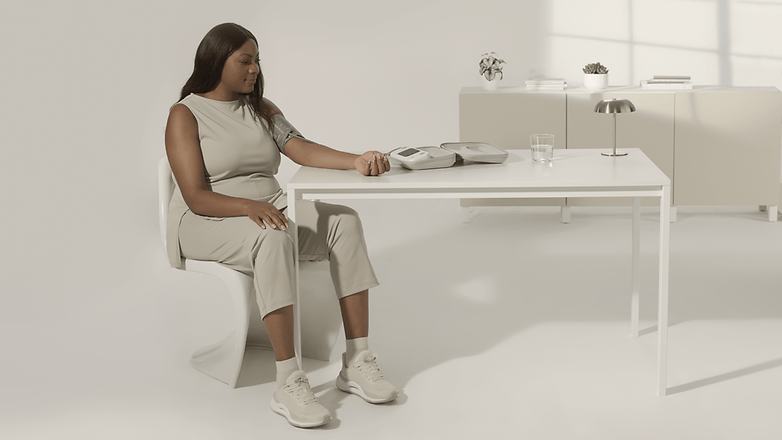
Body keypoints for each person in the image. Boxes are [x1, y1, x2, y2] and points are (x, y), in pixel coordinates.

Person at [164, 22, 398, 428]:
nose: (255, 69)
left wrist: (356, 159)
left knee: (344, 220)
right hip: (206, 217)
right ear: (217, 60)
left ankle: (357, 360)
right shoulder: (185, 114)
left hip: (266, 207)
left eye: (257, 61)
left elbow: (300, 148)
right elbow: (195, 195)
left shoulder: (261, 107)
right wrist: (247, 206)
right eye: (245, 60)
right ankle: (288, 381)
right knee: (271, 238)